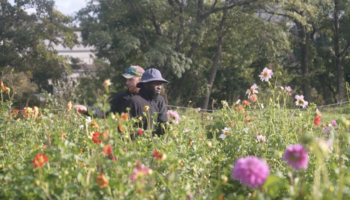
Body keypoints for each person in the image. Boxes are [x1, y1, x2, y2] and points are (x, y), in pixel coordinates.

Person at [73, 65, 145, 117]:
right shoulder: (122, 98)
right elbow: (104, 111)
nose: (127, 83)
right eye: (126, 79)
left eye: (130, 80)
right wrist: (87, 109)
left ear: (140, 80)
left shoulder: (152, 98)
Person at [122, 68, 168, 137]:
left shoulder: (159, 101)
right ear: (146, 84)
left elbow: (163, 127)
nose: (159, 87)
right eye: (156, 84)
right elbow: (125, 129)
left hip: (156, 145)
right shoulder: (133, 102)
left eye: (160, 84)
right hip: (138, 146)